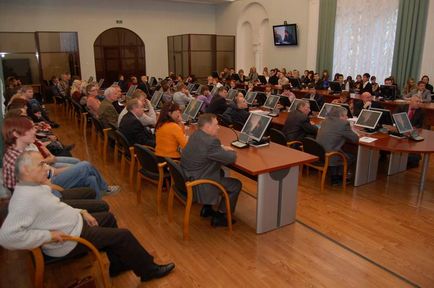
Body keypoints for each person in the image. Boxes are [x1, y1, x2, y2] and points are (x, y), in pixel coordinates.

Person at [0, 151, 175, 282]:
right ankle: (149, 271)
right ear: (25, 170)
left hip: (74, 225)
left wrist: (82, 212)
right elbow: (7, 237)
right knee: (124, 235)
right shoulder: (25, 199)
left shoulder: (33, 187)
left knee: (109, 218)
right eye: (41, 165)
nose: (46, 168)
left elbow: (57, 208)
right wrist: (48, 236)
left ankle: (118, 264)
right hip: (70, 239)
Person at [2, 117, 119, 199]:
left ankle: (97, 209)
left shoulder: (20, 152)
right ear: (16, 134)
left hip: (48, 180)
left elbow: (48, 171)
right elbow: (39, 186)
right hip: (47, 190)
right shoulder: (18, 158)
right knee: (85, 165)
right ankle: (104, 188)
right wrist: (74, 170)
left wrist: (72, 169)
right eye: (30, 129)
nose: (34, 131)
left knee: (91, 179)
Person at [181, 114, 241, 227]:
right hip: (199, 184)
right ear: (208, 127)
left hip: (187, 176)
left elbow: (207, 150)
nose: (218, 127)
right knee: (236, 184)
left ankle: (207, 208)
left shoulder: (196, 134)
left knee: (221, 172)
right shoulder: (211, 142)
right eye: (216, 125)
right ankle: (221, 216)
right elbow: (231, 159)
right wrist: (232, 151)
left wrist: (221, 148)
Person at [316, 106, 359, 185]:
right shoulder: (344, 124)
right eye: (346, 115)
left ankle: (334, 175)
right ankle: (339, 178)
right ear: (341, 116)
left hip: (320, 152)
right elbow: (355, 139)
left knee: (341, 150)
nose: (347, 117)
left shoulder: (325, 121)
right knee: (352, 156)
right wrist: (352, 129)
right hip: (331, 154)